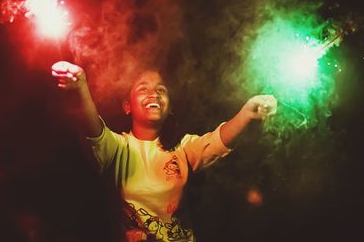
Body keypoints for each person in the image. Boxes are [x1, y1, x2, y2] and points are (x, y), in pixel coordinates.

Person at [51, 61, 277, 242]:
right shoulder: (117, 147)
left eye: (161, 90)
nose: (154, 94)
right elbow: (94, 131)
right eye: (143, 88)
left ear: (170, 108)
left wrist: (246, 113)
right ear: (127, 106)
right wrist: (81, 87)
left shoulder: (182, 147)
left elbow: (216, 141)